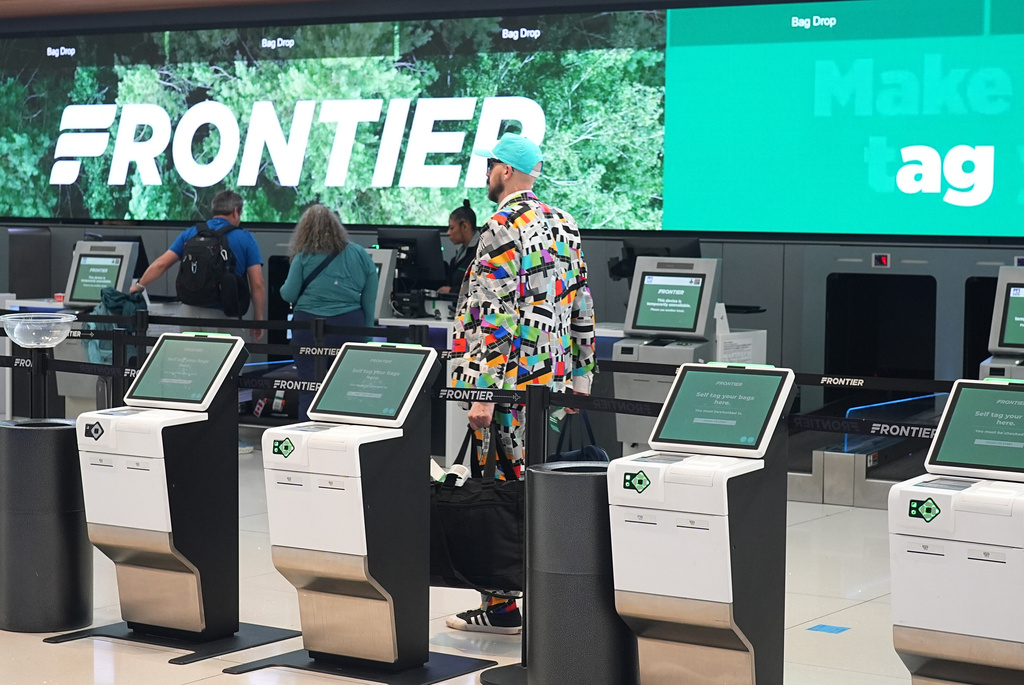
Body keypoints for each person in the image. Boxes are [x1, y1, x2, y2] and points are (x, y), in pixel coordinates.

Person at [445, 133, 597, 634]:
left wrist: (482, 391)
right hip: (550, 387)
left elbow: (494, 316)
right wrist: (582, 378)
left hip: (507, 389)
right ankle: (546, 594)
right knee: (537, 487)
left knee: (500, 493)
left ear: (506, 170)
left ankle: (504, 606)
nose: (486, 174)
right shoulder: (565, 223)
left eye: (490, 165)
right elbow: (581, 303)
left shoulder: (500, 227)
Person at [280, 204, 378, 421]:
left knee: (309, 387)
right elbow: (369, 298)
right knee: (346, 388)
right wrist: (367, 332)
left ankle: (306, 440)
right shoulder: (359, 254)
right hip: (349, 327)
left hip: (308, 328)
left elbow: (288, 294)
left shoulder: (303, 256)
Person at [130, 189, 267, 343]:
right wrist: (258, 317)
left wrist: (139, 285)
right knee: (227, 365)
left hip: (189, 311)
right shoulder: (245, 238)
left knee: (192, 361)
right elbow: (257, 283)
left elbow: (161, 264)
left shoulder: (192, 233)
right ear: (235, 211)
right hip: (224, 315)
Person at [437, 199, 478, 295]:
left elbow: (478, 288)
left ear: (464, 227)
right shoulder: (460, 253)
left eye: (452, 228)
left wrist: (452, 291)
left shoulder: (480, 252)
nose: (448, 233)